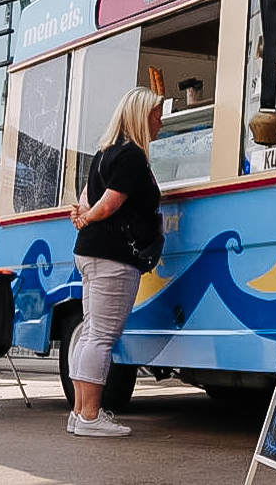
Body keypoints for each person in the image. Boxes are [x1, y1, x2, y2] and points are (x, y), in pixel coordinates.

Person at [67, 87, 163, 436]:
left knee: (90, 333)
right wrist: (90, 216)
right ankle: (91, 416)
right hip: (114, 257)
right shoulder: (132, 156)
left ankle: (79, 413)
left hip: (90, 253)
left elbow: (84, 200)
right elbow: (106, 205)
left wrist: (83, 217)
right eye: (157, 115)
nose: (161, 122)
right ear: (141, 116)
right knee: (101, 338)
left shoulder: (104, 152)